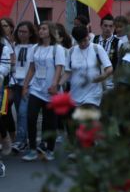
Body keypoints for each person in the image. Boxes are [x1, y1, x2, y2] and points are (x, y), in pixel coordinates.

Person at [21, 23, 66, 161]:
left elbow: (59, 68)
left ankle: (50, 149)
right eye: (40, 29)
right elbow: (32, 68)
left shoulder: (57, 49)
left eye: (44, 29)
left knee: (49, 122)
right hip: (36, 89)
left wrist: (54, 85)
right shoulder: (35, 48)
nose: (41, 31)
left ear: (50, 31)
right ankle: (33, 149)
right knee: (31, 117)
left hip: (50, 91)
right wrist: (25, 85)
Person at [63, 25, 113, 114]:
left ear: (88, 36)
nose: (83, 44)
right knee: (77, 125)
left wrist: (102, 77)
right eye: (80, 42)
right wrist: (58, 84)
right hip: (75, 94)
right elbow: (67, 72)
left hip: (93, 94)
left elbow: (109, 68)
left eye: (85, 40)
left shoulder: (97, 48)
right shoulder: (71, 51)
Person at [10, 22, 36, 154]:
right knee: (18, 111)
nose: (21, 34)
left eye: (24, 31)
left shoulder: (35, 47)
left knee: (22, 112)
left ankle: (20, 140)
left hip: (29, 84)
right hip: (15, 83)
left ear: (31, 33)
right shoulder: (14, 46)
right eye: (19, 31)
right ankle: (23, 140)